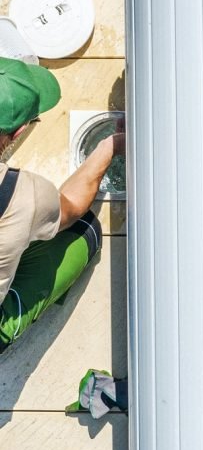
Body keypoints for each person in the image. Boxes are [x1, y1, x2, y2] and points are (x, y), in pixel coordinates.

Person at [0, 56, 124, 353]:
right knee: (85, 231)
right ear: (18, 133)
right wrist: (111, 146)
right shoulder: (23, 194)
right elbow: (71, 207)